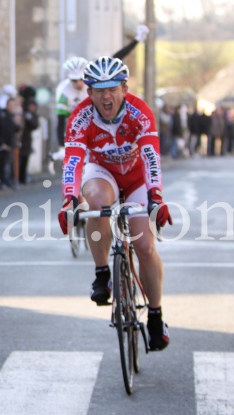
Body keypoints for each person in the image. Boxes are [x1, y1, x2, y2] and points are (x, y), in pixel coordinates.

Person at [57, 56, 172, 352]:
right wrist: (69, 198)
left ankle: (156, 315)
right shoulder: (80, 117)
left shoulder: (140, 112)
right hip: (103, 173)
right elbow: (72, 161)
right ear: (89, 92)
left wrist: (156, 196)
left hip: (135, 178)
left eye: (113, 89)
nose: (106, 96)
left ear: (124, 88)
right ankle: (101, 274)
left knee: (145, 247)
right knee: (95, 203)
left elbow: (150, 157)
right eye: (99, 90)